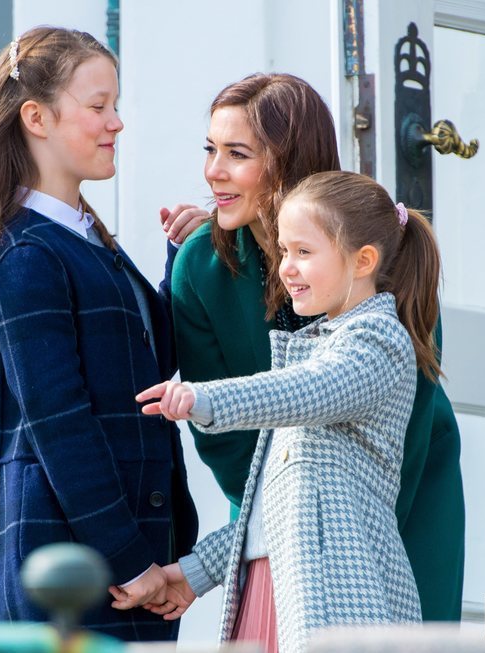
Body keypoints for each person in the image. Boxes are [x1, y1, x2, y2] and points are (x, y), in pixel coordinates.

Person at [0, 27, 200, 641]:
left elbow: (144, 362)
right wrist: (129, 559)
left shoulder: (83, 239)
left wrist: (182, 260)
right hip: (76, 575)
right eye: (98, 105)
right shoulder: (28, 254)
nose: (117, 123)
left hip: (123, 563)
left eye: (116, 105)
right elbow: (61, 425)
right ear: (37, 117)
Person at [167, 73, 464, 621]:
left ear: (285, 161)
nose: (213, 171)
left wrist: (356, 538)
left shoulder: (373, 249)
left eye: (237, 153)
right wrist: (284, 524)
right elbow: (229, 452)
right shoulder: (199, 268)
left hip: (402, 490)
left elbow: (413, 416)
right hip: (276, 495)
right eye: (211, 149)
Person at [130, 170, 441, 653]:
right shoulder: (318, 345)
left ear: (363, 261)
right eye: (284, 252)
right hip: (278, 589)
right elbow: (279, 508)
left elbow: (306, 390)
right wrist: (196, 571)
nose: (286, 268)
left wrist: (207, 399)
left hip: (336, 601)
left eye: (303, 252)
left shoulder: (378, 342)